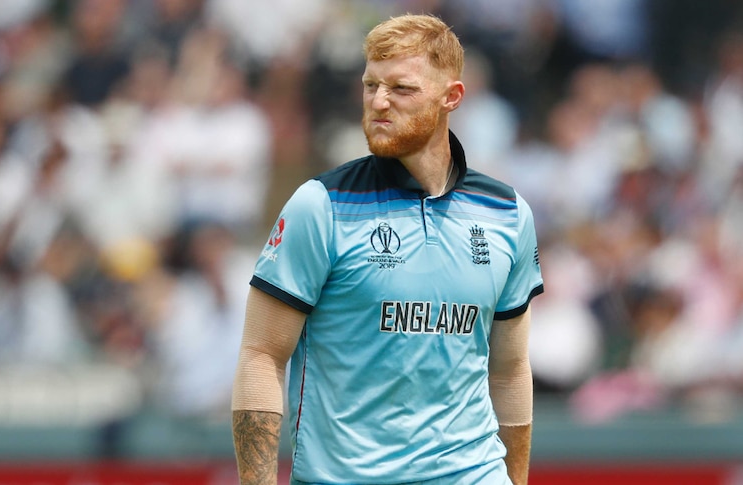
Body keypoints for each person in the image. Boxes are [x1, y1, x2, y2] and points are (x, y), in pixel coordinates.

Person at [231, 13, 544, 485]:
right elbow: (261, 355)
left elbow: (510, 369)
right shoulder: (321, 206)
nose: (379, 102)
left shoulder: (507, 213)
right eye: (370, 85)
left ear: (451, 97)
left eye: (401, 89)